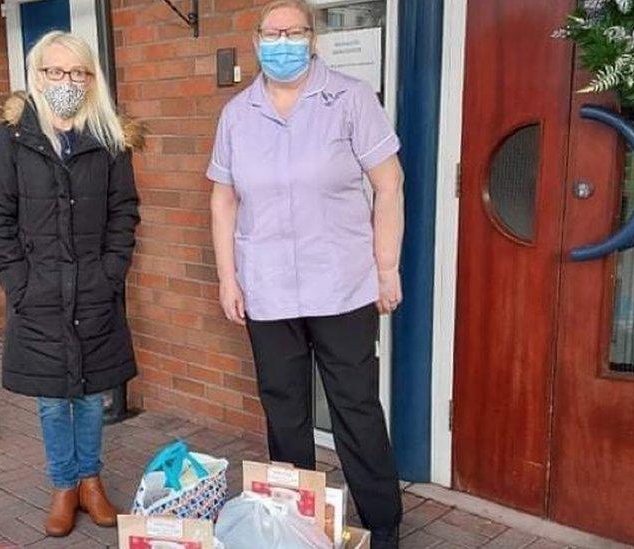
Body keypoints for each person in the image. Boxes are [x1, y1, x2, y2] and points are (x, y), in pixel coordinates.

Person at [207, 0, 405, 546]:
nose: (284, 41)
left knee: (356, 409)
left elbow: (389, 183)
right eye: (273, 33)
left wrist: (386, 267)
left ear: (312, 39)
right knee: (284, 410)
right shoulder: (237, 114)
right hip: (266, 289)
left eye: (295, 31)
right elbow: (223, 201)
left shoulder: (351, 99)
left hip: (342, 285)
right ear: (256, 39)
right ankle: (295, 524)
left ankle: (383, 524)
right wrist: (228, 278)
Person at [0, 31, 142, 537]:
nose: (66, 81)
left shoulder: (110, 138)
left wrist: (110, 273)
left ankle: (91, 482)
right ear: (37, 75)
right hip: (39, 292)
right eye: (55, 71)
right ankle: (64, 485)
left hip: (94, 289)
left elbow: (124, 214)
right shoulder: (13, 137)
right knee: (53, 398)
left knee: (92, 394)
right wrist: (19, 284)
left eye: (78, 72)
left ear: (91, 78)